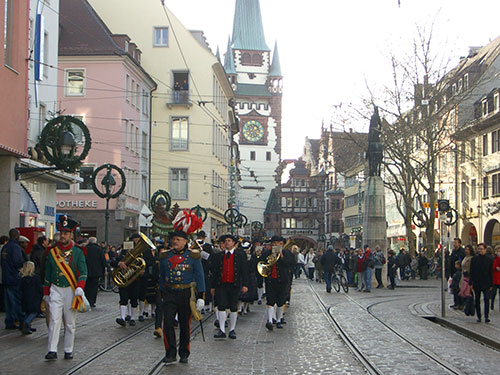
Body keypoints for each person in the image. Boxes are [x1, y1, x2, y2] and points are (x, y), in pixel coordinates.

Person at [44, 216, 88, 360]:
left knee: (69, 322)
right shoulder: (52, 252)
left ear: (71, 235)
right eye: (61, 233)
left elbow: (83, 272)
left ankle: (68, 349)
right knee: (54, 320)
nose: (63, 236)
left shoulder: (78, 252)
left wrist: (80, 287)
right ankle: (52, 349)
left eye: (66, 233)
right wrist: (46, 292)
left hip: (71, 289)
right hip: (56, 289)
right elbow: (48, 274)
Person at [159, 229, 205, 364]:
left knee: (185, 325)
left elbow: (200, 276)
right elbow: (162, 276)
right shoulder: (165, 256)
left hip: (186, 294)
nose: (175, 242)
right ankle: (170, 352)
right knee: (167, 322)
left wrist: (201, 296)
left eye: (178, 239)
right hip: (170, 292)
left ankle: (184, 352)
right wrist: (162, 292)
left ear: (185, 242)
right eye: (174, 239)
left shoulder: (193, 256)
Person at [210, 235, 248, 339]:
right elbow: (215, 272)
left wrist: (245, 284)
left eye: (229, 241)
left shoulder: (240, 255)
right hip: (221, 285)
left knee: (233, 307)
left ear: (234, 243)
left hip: (234, 284)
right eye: (225, 241)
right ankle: (222, 330)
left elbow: (244, 271)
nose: (227, 243)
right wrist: (213, 286)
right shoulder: (219, 256)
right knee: (221, 306)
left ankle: (232, 329)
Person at [261, 236, 295, 330]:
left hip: (283, 280)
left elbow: (291, 264)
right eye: (274, 243)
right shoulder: (267, 253)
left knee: (281, 301)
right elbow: (262, 264)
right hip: (270, 280)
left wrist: (282, 257)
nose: (276, 245)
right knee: (270, 301)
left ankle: (279, 320)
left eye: (278, 243)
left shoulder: (287, 253)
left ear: (282, 244)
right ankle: (270, 320)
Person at [114, 234, 142, 327]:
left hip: (135, 278)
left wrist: (143, 270)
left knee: (134, 298)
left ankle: (133, 317)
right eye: (135, 240)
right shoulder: (124, 251)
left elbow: (149, 261)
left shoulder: (144, 251)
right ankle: (122, 317)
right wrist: (119, 263)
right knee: (123, 298)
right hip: (124, 278)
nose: (136, 241)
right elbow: (115, 261)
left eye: (138, 240)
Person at [1, 229, 26, 329]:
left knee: (8, 301)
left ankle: (9, 321)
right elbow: (17, 262)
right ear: (16, 236)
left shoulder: (5, 247)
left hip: (6, 277)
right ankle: (21, 321)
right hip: (14, 277)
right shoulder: (15, 247)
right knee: (16, 300)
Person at [470, 243, 493, 323]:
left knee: (487, 299)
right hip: (477, 282)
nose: (480, 250)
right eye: (479, 249)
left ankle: (486, 316)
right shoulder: (474, 259)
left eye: (481, 249)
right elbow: (472, 272)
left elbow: (491, 272)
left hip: (486, 282)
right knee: (477, 300)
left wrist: (491, 284)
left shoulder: (489, 259)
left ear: (485, 250)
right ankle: (479, 316)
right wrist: (471, 283)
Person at [20, 261, 42, 334]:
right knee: (34, 312)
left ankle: (27, 326)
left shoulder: (22, 279)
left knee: (27, 312)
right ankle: (27, 323)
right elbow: (39, 289)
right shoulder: (36, 278)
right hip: (34, 298)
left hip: (25, 298)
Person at [84, 237, 107, 308]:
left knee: (87, 286)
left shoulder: (85, 249)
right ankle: (92, 301)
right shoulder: (99, 249)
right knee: (94, 287)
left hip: (86, 270)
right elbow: (103, 260)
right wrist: (105, 269)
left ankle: (86, 300)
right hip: (96, 271)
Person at [491, 246, 500, 310]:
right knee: (494, 293)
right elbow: (492, 267)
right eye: (497, 251)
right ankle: (492, 303)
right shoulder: (493, 258)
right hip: (495, 278)